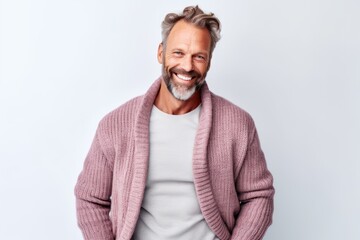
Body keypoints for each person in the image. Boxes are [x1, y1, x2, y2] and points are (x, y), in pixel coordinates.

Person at [75, 5, 275, 240]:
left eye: (199, 56)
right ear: (161, 53)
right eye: (178, 53)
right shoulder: (116, 125)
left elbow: (259, 195)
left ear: (209, 62)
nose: (188, 66)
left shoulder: (238, 124)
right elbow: (90, 198)